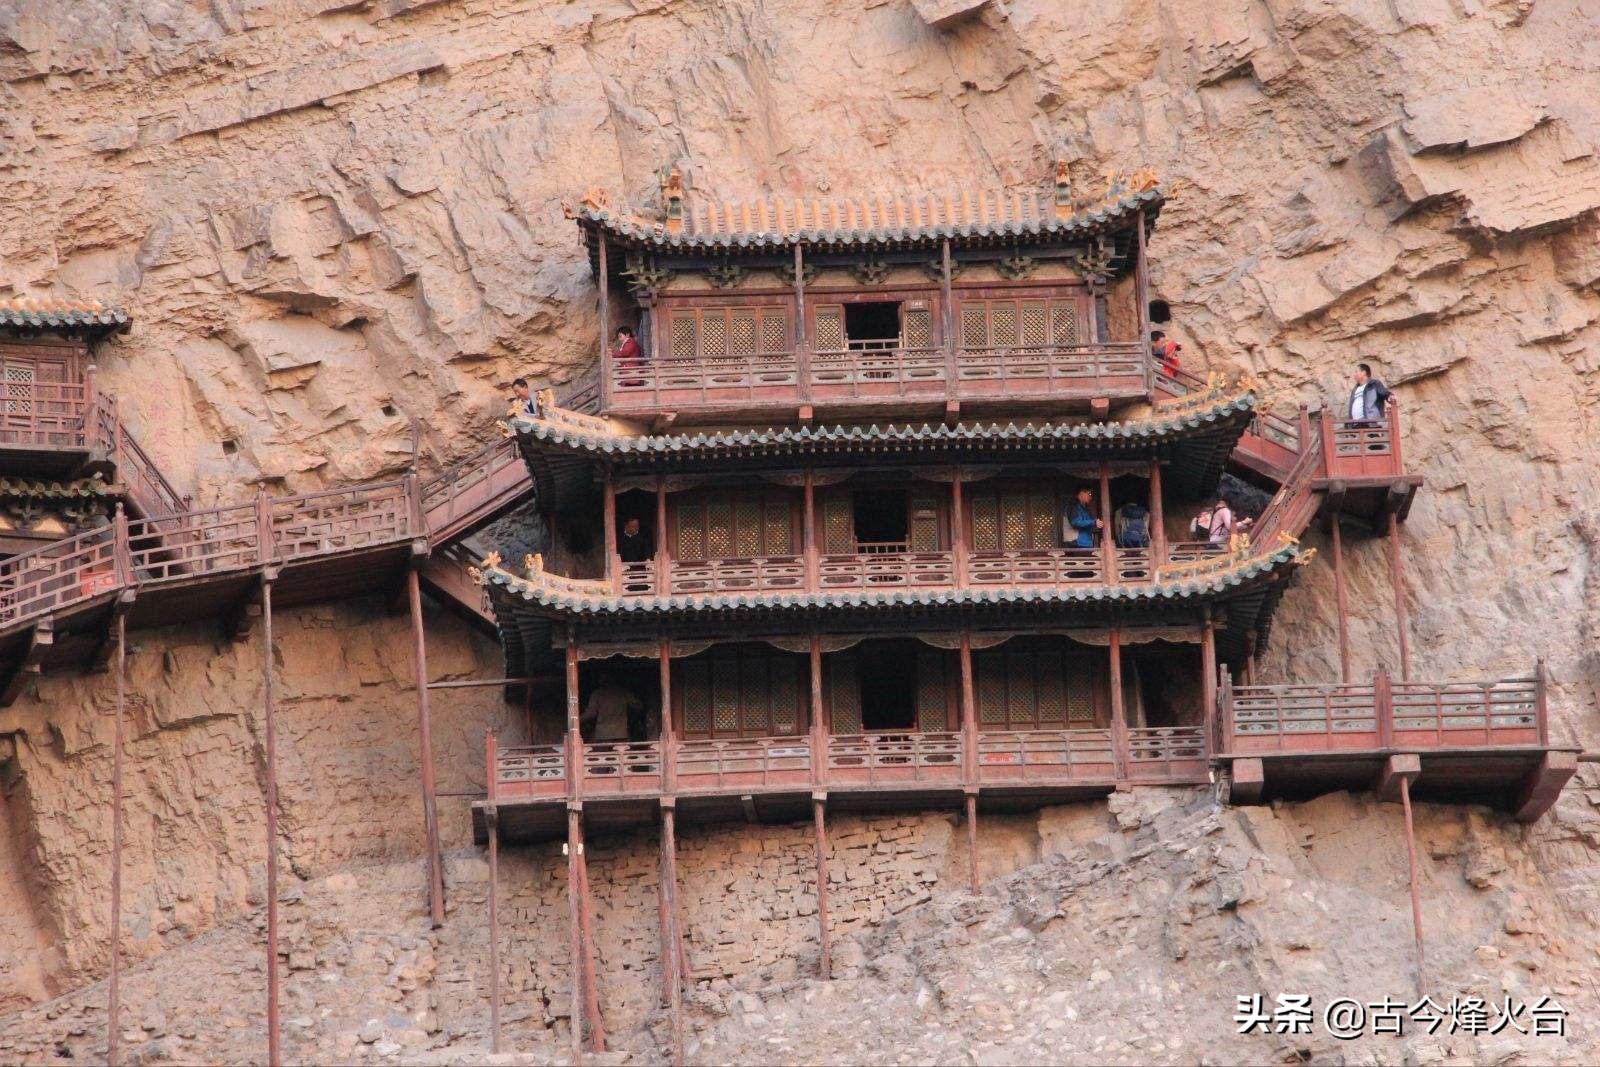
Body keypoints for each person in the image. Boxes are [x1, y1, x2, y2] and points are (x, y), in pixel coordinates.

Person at [581, 675, 644, 744]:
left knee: (603, 750)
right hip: (621, 733)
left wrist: (578, 720)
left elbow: (591, 713)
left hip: (603, 734)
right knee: (621, 750)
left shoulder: (597, 693)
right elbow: (639, 706)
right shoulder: (623, 692)